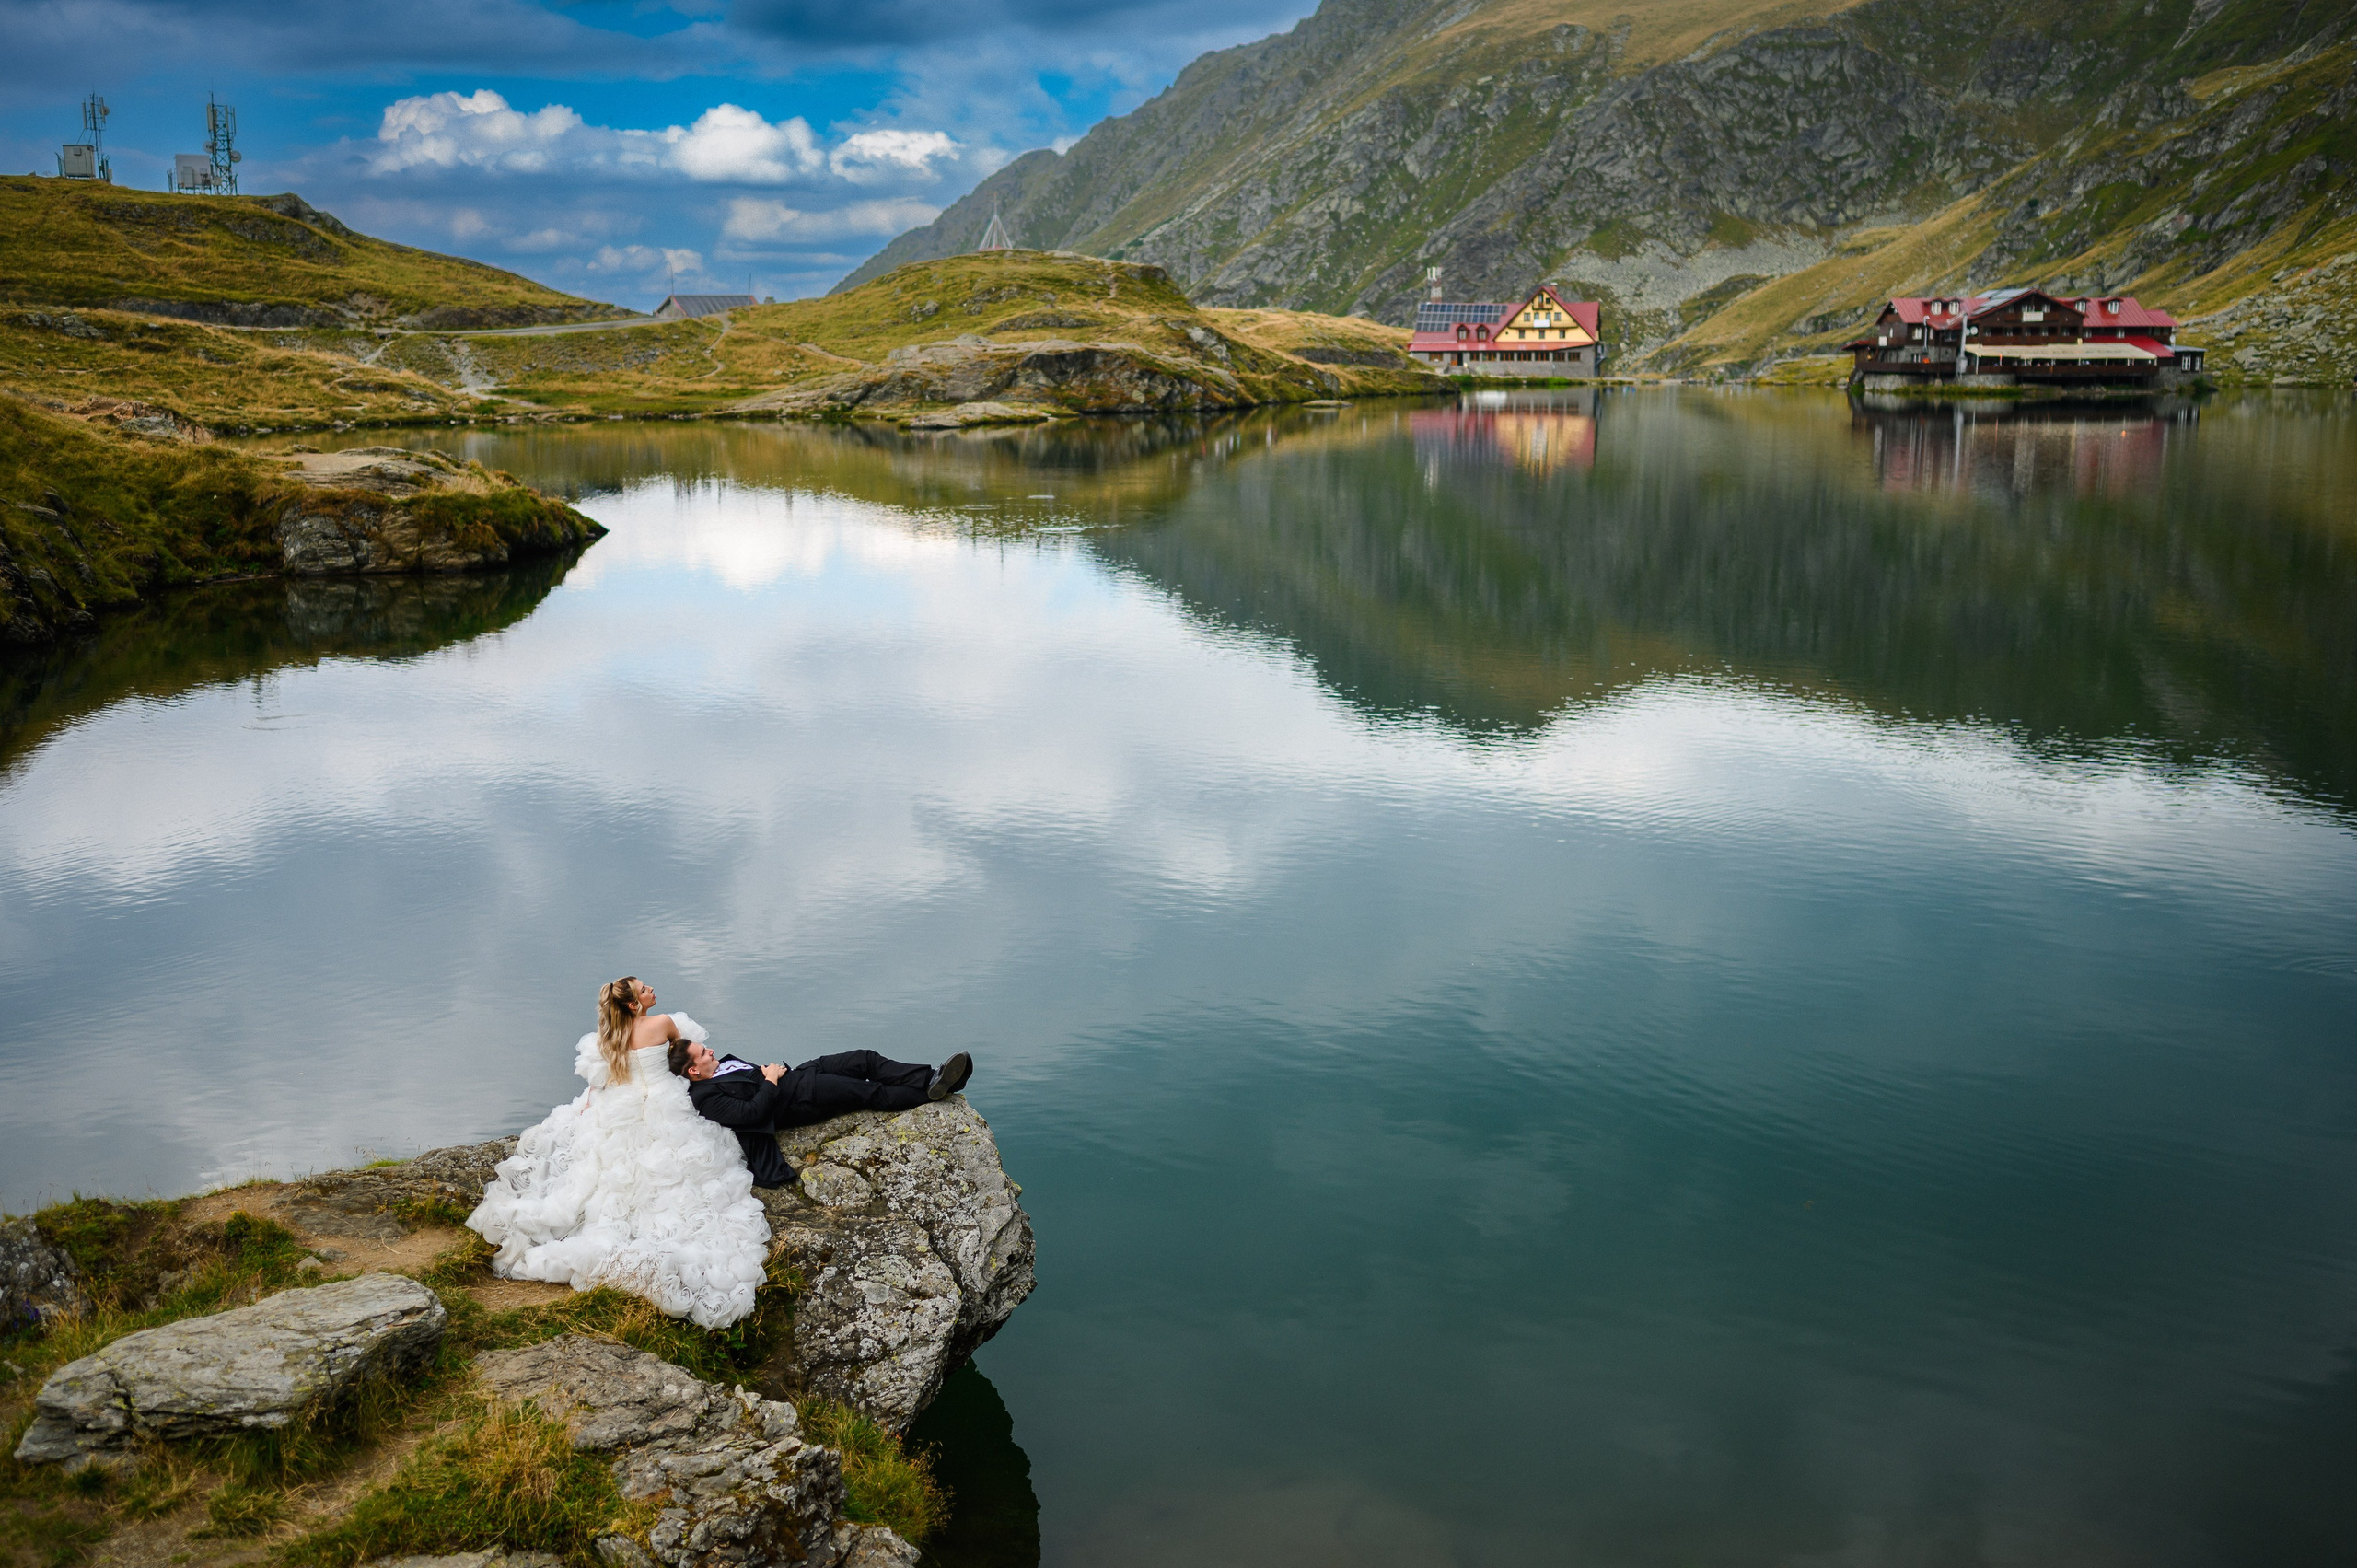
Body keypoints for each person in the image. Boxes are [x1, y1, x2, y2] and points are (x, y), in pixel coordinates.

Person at [466, 975, 771, 1328]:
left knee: (611, 1171)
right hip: (666, 1101)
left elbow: (606, 1079)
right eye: (644, 990)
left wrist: (591, 1105)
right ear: (633, 1004)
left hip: (622, 1104)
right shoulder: (664, 1023)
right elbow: (682, 1062)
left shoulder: (609, 1038)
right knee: (679, 1169)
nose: (651, 989)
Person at [672, 1040, 974, 1189]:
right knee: (868, 1092)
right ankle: (933, 1093)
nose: (710, 1050)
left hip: (803, 1073)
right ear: (694, 1070)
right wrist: (770, 1079)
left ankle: (932, 1077)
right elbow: (751, 1113)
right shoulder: (706, 1097)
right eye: (703, 1053)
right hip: (801, 1099)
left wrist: (777, 1075)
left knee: (865, 1059)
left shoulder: (717, 1067)